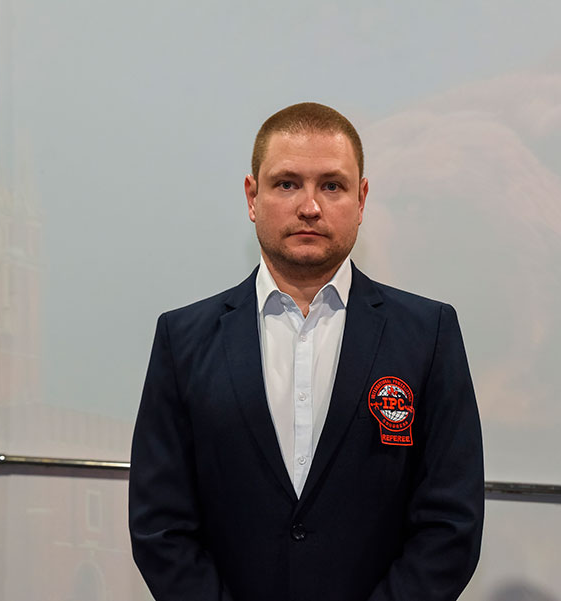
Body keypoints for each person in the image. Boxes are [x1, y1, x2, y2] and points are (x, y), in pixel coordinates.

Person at [129, 102, 484, 601]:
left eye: (332, 186)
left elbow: (451, 523)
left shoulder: (428, 334)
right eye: (287, 184)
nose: (310, 207)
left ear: (361, 199)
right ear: (252, 197)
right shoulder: (182, 338)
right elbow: (160, 525)